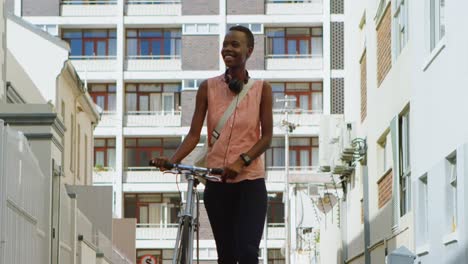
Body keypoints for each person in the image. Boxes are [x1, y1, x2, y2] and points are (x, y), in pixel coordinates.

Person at [151, 25, 273, 264]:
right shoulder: (207, 87)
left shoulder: (262, 90)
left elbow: (267, 137)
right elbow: (194, 135)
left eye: (235, 44)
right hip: (218, 182)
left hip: (250, 182)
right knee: (226, 256)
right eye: (225, 44)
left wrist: (242, 161)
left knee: (248, 252)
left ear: (249, 50)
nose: (227, 48)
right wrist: (172, 161)